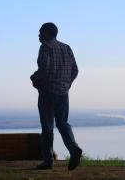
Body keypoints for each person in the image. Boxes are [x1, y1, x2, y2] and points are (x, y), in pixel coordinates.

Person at [30, 22, 82, 170]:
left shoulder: (45, 47)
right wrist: (67, 84)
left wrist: (35, 79)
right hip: (63, 93)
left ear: (47, 33)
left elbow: (44, 69)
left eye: (40, 32)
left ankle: (48, 161)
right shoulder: (66, 48)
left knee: (47, 127)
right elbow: (75, 70)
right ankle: (73, 148)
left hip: (48, 92)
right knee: (63, 123)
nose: (39, 35)